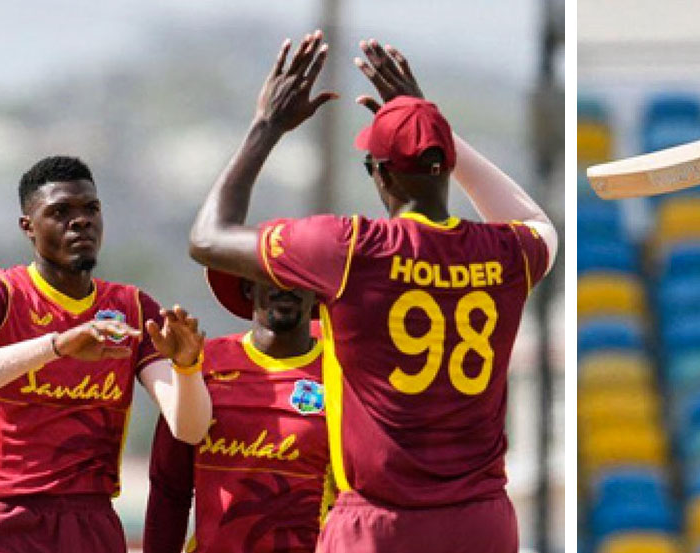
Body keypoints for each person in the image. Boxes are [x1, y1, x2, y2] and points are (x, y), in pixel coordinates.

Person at [186, 31, 557, 553]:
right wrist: (432, 124)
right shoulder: (506, 252)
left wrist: (266, 127)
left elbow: (207, 237)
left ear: (380, 175)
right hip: (482, 523)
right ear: (447, 165)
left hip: (380, 526)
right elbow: (539, 223)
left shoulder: (353, 249)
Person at [0, 155, 213, 553]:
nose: (81, 221)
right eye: (60, 212)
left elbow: (190, 429)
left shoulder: (133, 308)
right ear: (28, 227)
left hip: (91, 519)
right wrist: (56, 346)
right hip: (4, 515)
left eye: (91, 209)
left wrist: (187, 366)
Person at [143, 269, 332, 553]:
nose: (286, 288)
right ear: (248, 288)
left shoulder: (343, 374)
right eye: (274, 277)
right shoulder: (200, 363)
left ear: (315, 292)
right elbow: (169, 488)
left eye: (298, 278)